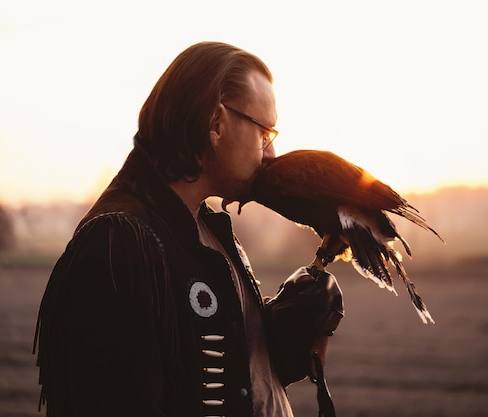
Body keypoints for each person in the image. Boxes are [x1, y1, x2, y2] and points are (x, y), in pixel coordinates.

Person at [34, 41, 343, 417]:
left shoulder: (206, 228)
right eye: (265, 133)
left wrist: (277, 331)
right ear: (215, 123)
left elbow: (215, 377)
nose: (271, 154)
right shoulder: (120, 244)